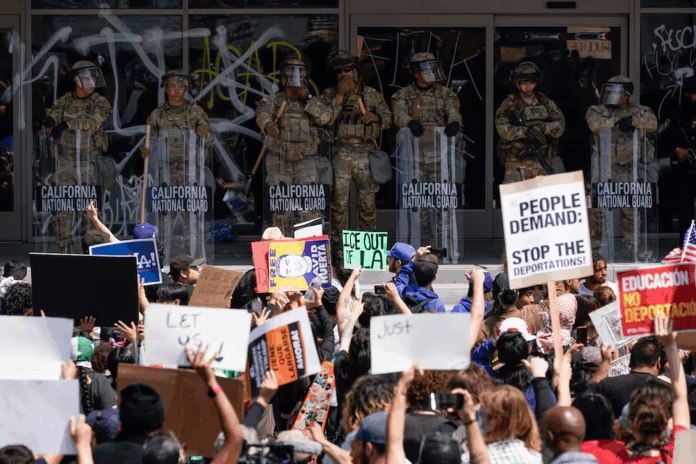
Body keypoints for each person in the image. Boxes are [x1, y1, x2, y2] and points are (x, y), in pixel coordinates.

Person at [321, 50, 392, 267]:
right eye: (339, 71)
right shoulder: (329, 95)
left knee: (367, 204)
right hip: (340, 153)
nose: (343, 74)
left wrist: (376, 117)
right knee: (338, 206)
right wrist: (339, 96)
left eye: (347, 70)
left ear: (354, 71)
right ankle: (339, 254)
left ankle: (367, 256)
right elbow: (323, 120)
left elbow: (389, 118)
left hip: (365, 153)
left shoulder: (370, 93)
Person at [391, 52, 463, 255]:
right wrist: (409, 122)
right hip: (415, 159)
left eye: (433, 69)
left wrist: (454, 122)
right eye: (426, 69)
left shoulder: (445, 93)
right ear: (416, 73)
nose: (431, 73)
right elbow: (398, 114)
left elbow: (453, 111)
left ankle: (446, 247)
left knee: (442, 203)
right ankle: (419, 249)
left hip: (440, 158)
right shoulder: (404, 94)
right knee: (418, 205)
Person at [255, 57, 333, 237]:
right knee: (282, 209)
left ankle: (307, 246)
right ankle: (282, 245)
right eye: (292, 77)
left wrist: (308, 98)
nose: (296, 82)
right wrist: (269, 125)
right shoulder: (274, 101)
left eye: (300, 78)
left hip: (306, 161)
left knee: (308, 207)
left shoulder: (311, 102)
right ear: (284, 79)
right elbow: (262, 114)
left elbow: (325, 118)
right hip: (279, 160)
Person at [142, 70, 214, 264]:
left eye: (180, 87)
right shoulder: (158, 113)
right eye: (172, 86)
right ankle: (163, 257)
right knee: (164, 215)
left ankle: (193, 259)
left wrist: (203, 133)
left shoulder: (195, 111)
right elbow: (149, 140)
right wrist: (145, 150)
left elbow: (210, 137)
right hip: (165, 172)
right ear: (166, 89)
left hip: (189, 171)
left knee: (191, 216)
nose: (176, 90)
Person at [42, 60, 112, 254]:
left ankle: (91, 251)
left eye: (94, 78)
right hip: (65, 160)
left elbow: (94, 121)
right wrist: (50, 121)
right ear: (76, 80)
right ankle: (63, 250)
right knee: (63, 209)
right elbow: (54, 116)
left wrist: (67, 124)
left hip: (89, 161)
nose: (92, 82)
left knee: (90, 211)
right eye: (88, 78)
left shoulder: (100, 102)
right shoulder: (64, 100)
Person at [586, 75, 657, 261]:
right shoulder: (598, 110)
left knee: (631, 213)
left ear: (626, 95)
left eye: (616, 92)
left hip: (628, 169)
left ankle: (633, 250)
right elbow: (594, 123)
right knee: (600, 213)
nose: (611, 95)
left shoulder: (639, 110)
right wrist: (618, 121)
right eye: (609, 91)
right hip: (604, 169)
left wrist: (633, 120)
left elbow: (652, 122)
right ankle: (597, 253)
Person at [624, 313, 691, 462]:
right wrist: (669, 344)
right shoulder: (682, 454)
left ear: (631, 423)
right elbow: (680, 397)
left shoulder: (621, 460)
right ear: (666, 422)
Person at [495, 61, 565, 183]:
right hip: (517, 163)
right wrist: (526, 131)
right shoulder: (509, 104)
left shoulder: (546, 102)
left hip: (543, 160)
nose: (528, 85)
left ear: (536, 82)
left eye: (531, 81)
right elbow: (502, 128)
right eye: (523, 82)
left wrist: (543, 127)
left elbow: (560, 125)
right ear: (517, 84)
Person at [597, 337, 667, 417]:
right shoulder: (667, 390)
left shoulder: (607, 385)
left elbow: (588, 397)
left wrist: (605, 361)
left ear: (629, 362)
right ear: (658, 363)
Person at [663, 75, 696, 244]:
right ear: (687, 94)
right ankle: (686, 248)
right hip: (686, 170)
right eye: (694, 93)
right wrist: (677, 150)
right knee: (685, 212)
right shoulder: (678, 115)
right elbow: (665, 138)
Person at [395, 246, 445, 313]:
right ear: (434, 277)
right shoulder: (437, 305)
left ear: (414, 274)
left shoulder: (400, 293)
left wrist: (415, 258)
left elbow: (402, 277)